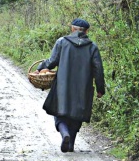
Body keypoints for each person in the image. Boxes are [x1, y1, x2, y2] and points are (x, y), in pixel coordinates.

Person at [34, 18, 105, 153]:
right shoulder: (92, 47)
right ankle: (70, 143)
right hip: (83, 88)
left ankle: (64, 133)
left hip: (62, 86)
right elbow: (98, 69)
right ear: (86, 31)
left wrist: (40, 68)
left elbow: (52, 61)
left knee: (59, 112)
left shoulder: (62, 42)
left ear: (72, 29)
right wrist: (100, 89)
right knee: (77, 115)